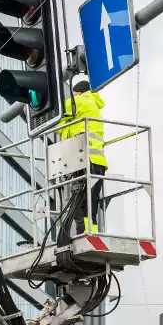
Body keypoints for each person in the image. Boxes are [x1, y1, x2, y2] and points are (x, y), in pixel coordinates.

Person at [57, 80, 108, 235]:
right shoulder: (92, 105)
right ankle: (91, 232)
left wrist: (30, 109)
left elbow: (54, 115)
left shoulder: (78, 101)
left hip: (83, 160)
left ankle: (84, 233)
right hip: (98, 162)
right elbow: (65, 125)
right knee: (91, 201)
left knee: (79, 203)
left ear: (78, 93)